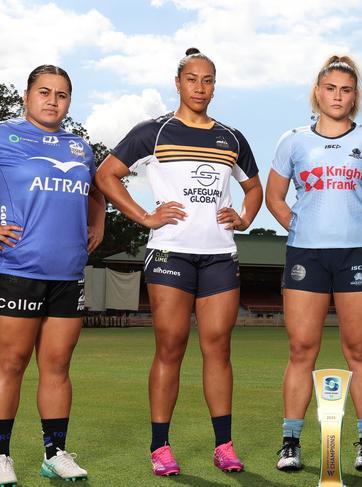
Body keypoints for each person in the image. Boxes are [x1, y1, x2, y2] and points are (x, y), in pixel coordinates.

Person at [95, 48, 262, 476]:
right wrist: (145, 216)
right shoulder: (154, 131)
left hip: (219, 255)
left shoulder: (232, 138)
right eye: (193, 79)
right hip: (170, 252)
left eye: (208, 80)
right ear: (178, 82)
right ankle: (160, 447)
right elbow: (105, 175)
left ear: (214, 85)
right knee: (170, 347)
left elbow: (255, 188)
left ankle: (223, 445)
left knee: (218, 349)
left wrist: (244, 217)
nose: (200, 87)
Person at [266, 55, 362, 472]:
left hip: (358, 255)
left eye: (346, 90)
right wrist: (298, 226)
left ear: (355, 97)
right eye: (330, 88)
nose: (337, 96)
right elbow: (275, 197)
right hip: (306, 255)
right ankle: (290, 442)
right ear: (317, 91)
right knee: (300, 349)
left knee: (359, 349)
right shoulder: (293, 140)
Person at [0, 65, 105, 485]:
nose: (52, 100)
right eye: (44, 92)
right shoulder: (5, 134)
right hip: (18, 268)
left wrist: (99, 224)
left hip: (67, 273)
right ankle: (2, 456)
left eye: (62, 94)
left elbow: (98, 192)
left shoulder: (80, 148)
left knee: (58, 365)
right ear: (27, 95)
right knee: (11, 363)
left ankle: (54, 453)